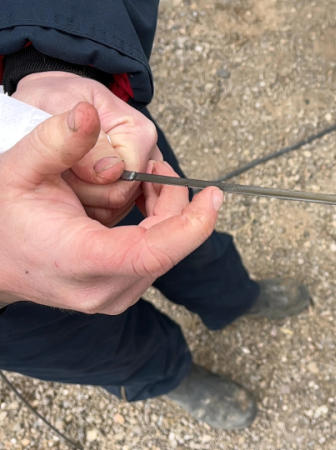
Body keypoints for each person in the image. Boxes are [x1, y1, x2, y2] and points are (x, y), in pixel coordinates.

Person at [0, 1, 310, 430]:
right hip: (11, 319)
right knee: (94, 346)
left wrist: (51, 58)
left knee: (187, 236)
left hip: (81, 133)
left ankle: (236, 297)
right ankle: (170, 373)